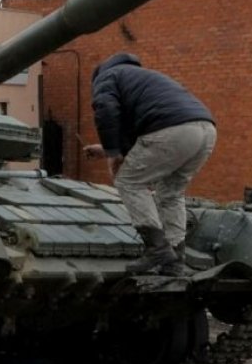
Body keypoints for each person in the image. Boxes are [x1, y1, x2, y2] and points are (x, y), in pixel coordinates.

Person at [84, 53, 216, 276]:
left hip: (171, 130)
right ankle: (175, 257)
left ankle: (157, 250)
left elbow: (106, 110)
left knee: (128, 182)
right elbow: (144, 128)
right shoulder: (140, 77)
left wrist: (113, 153)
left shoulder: (107, 78)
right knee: (171, 193)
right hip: (204, 130)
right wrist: (107, 149)